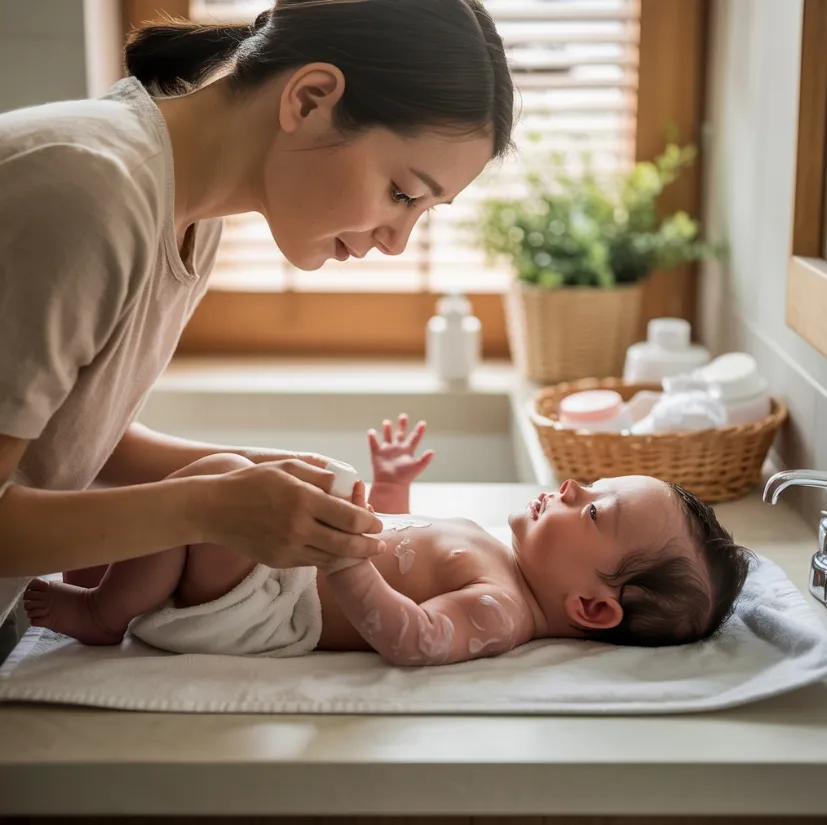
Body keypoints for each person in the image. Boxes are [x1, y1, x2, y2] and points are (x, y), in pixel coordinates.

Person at [0, 0, 516, 639]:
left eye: (422, 213)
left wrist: (252, 474)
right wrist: (208, 507)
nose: (397, 242)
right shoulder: (87, 193)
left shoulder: (189, 215)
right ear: (309, 99)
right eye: (403, 193)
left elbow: (66, 435)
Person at [25, 414, 754, 664]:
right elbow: (402, 541)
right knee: (231, 485)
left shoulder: (501, 609)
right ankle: (94, 564)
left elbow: (410, 635)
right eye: (592, 485)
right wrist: (389, 492)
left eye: (593, 512)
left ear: (592, 607)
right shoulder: (497, 555)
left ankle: (103, 614)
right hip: (280, 572)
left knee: (215, 483)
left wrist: (343, 559)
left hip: (270, 609)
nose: (570, 487)